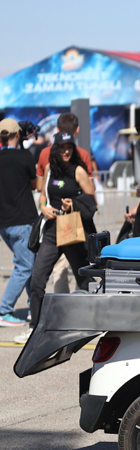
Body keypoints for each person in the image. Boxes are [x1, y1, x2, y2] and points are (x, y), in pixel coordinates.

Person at [23, 132, 96, 344]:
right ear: (54, 148)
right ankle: (35, 327)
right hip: (52, 230)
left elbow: (92, 200)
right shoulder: (49, 169)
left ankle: (92, 321)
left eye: (69, 147)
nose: (66, 151)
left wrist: (73, 204)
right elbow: (43, 196)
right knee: (37, 280)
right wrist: (43, 208)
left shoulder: (79, 171)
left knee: (84, 279)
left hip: (71, 228)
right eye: (62, 147)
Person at [0, 119, 37, 327]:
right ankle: (4, 310)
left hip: (4, 223)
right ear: (18, 135)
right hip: (22, 220)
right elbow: (34, 185)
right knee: (25, 266)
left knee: (30, 262)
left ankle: (35, 307)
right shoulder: (24, 156)